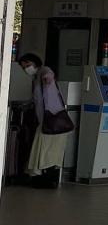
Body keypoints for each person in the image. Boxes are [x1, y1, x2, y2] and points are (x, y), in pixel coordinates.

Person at [18, 54, 70, 188]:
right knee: (45, 150)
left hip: (52, 120)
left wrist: (48, 78)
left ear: (35, 62)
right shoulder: (36, 79)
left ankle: (44, 178)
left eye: (28, 64)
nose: (27, 68)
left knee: (45, 150)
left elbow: (49, 74)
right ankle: (42, 178)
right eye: (24, 67)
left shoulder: (43, 71)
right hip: (46, 121)